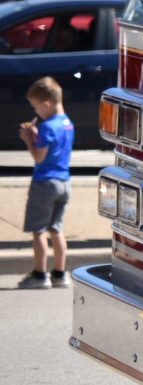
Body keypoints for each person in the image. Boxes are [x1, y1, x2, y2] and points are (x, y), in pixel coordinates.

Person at [17, 76, 75, 289]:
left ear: (46, 104)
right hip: (64, 182)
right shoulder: (67, 123)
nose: (36, 114)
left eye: (36, 108)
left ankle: (40, 274)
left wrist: (29, 139)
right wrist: (36, 135)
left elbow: (39, 157)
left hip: (45, 183)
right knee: (57, 230)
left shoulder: (47, 127)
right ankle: (60, 274)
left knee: (39, 230)